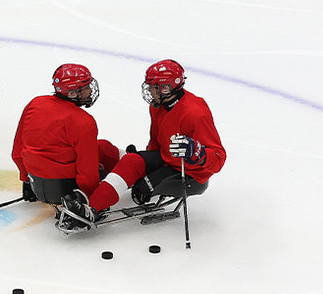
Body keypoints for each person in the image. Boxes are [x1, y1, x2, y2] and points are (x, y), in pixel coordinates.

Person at [58, 59, 227, 232]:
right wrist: (143, 163)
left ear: (166, 88)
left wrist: (197, 152)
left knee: (136, 177)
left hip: (189, 173)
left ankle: (90, 211)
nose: (149, 91)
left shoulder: (195, 113)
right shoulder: (158, 106)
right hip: (166, 159)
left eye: (153, 87)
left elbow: (219, 158)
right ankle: (90, 202)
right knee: (119, 155)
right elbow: (156, 142)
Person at [11, 64, 121, 203]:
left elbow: (17, 150)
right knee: (102, 152)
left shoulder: (35, 103)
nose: (90, 91)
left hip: (36, 184)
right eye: (86, 87)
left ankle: (128, 157)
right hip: (67, 191)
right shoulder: (83, 121)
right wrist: (90, 198)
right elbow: (87, 173)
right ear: (72, 93)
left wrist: (26, 180)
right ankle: (133, 164)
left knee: (102, 146)